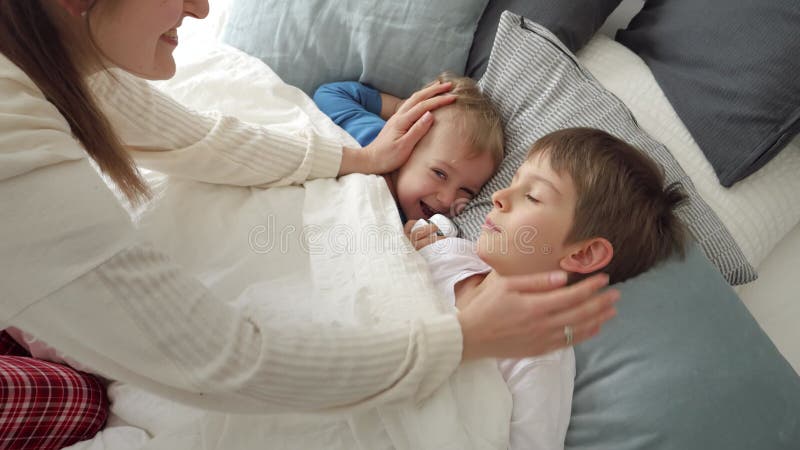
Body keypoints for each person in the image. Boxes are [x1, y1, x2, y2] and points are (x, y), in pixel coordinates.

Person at [0, 0, 620, 446]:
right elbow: (224, 358)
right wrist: (457, 337)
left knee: (79, 399)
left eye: (477, 191)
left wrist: (364, 162)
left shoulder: (53, 63)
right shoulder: (15, 145)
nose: (200, 6)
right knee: (75, 400)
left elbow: (192, 139)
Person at [407, 127, 687, 449]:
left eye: (532, 196)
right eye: (514, 180)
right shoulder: (448, 252)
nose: (498, 197)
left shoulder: (538, 354)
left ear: (582, 253)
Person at [314, 74, 504, 221]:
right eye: (440, 173)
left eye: (467, 191)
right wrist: (399, 108)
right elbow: (329, 94)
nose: (447, 200)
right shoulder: (371, 137)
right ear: (406, 143)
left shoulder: (426, 229)